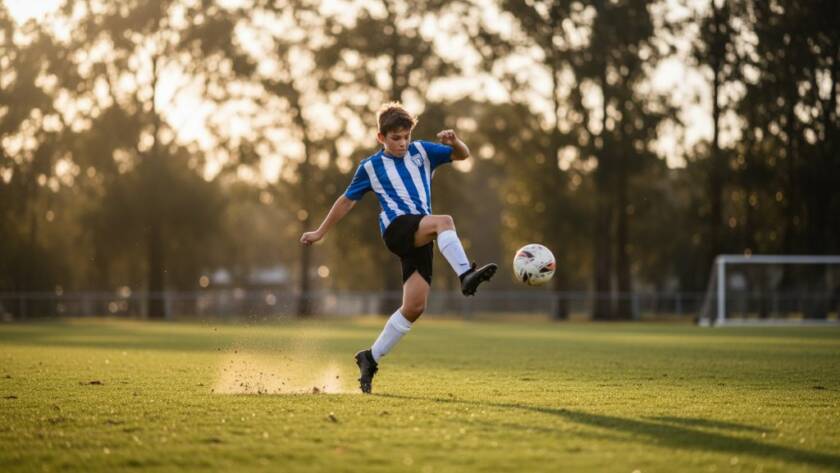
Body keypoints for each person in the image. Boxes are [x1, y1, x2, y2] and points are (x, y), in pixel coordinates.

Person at [300, 102, 497, 393]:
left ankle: (370, 357)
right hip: (397, 228)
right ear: (381, 137)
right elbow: (345, 201)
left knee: (415, 307)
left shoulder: (422, 151)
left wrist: (455, 141)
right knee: (445, 221)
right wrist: (319, 232)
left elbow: (463, 155)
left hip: (421, 232)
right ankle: (465, 274)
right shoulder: (370, 167)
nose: (402, 143)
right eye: (395, 138)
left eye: (406, 136)